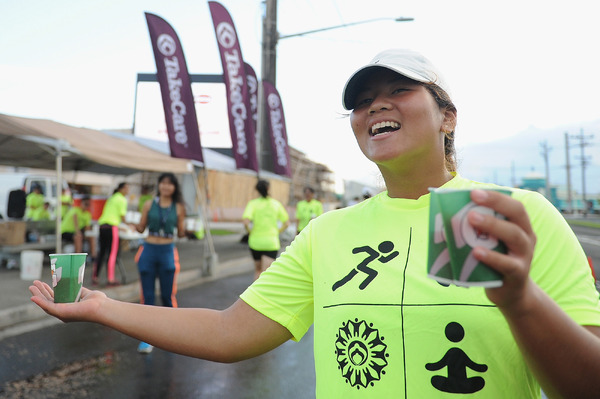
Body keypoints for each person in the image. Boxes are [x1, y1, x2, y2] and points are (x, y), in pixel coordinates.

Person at [29, 49, 600, 398]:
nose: (376, 106)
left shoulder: (516, 216)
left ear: (447, 115)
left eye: (399, 90)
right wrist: (102, 308)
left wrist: (521, 299)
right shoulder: (328, 232)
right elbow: (230, 333)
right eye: (362, 101)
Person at [133, 173, 186, 354]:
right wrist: (130, 223)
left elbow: (181, 232)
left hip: (167, 252)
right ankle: (146, 339)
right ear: (159, 185)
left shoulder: (178, 207)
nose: (166, 186)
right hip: (148, 250)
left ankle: (175, 334)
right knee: (147, 297)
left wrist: (187, 229)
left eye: (170, 184)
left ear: (174, 188)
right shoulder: (149, 204)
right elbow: (141, 227)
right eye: (163, 183)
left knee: (167, 296)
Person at [242, 179, 290, 280]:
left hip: (255, 241)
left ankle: (253, 295)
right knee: (266, 275)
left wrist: (250, 232)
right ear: (268, 188)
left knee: (257, 271)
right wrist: (277, 232)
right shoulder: (276, 204)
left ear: (257, 190)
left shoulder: (253, 204)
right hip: (271, 242)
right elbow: (286, 223)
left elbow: (246, 222)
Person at [92, 182, 130, 286]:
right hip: (112, 227)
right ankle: (111, 279)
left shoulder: (112, 198)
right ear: (121, 189)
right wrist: (130, 226)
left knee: (101, 252)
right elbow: (122, 218)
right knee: (112, 253)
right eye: (127, 188)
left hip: (102, 226)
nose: (128, 191)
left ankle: (95, 277)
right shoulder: (122, 199)